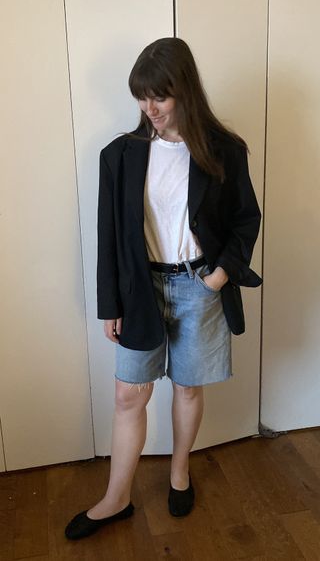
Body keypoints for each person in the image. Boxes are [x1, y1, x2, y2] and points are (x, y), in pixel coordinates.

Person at [65, 37, 262, 540]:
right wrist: (109, 302)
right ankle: (117, 498)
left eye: (160, 97)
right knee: (130, 394)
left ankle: (179, 472)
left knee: (188, 386)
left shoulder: (223, 150)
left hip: (200, 286)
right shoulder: (120, 155)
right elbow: (108, 236)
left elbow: (246, 219)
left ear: (185, 93)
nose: (149, 108)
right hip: (140, 289)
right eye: (142, 97)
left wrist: (221, 274)